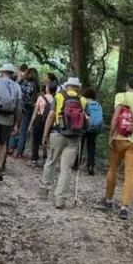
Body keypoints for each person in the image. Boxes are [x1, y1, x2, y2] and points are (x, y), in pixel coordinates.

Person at [101, 77, 133, 220]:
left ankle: (108, 200)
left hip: (119, 138)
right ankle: (124, 208)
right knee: (130, 174)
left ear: (127, 86)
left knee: (113, 169)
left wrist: (111, 136)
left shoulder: (121, 96)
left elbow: (116, 117)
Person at [41, 77, 87, 208]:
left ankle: (44, 191)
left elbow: (51, 115)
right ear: (78, 87)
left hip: (58, 133)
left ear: (67, 86)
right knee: (66, 169)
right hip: (74, 136)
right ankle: (60, 199)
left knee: (51, 161)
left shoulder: (59, 96)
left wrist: (45, 134)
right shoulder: (83, 100)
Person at [10, 67, 40, 158]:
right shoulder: (36, 85)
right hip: (28, 109)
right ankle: (19, 151)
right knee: (23, 130)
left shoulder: (22, 83)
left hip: (19, 107)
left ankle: (11, 147)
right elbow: (36, 98)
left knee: (15, 126)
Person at [74, 86, 102, 175]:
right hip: (94, 127)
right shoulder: (98, 104)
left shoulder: (84, 102)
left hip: (84, 126)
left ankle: (76, 163)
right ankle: (90, 166)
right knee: (91, 147)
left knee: (80, 145)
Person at [30, 79, 55, 167]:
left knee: (35, 140)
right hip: (49, 120)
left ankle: (34, 159)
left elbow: (35, 112)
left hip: (39, 119)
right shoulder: (55, 99)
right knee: (46, 138)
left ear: (48, 89)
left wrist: (31, 123)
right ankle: (45, 158)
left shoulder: (41, 98)